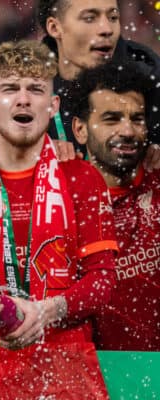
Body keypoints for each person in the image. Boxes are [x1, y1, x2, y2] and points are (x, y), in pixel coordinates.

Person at [0, 40, 118, 349]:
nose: (23, 100)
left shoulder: (82, 178)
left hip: (65, 374)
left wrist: (47, 311)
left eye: (36, 90)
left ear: (53, 106)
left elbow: (102, 280)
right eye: (10, 89)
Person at [70, 61, 160, 351]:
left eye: (137, 119)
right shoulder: (59, 199)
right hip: (92, 380)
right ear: (80, 130)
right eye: (111, 119)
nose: (128, 131)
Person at [37, 0, 160, 157]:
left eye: (113, 17)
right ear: (55, 28)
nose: (107, 29)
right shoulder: (24, 89)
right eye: (90, 18)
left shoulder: (151, 82)